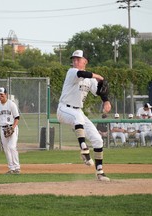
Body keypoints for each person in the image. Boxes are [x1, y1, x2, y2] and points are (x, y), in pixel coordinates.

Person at [57, 50, 111, 181]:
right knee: (78, 118)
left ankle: (100, 172)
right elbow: (83, 73)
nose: (75, 61)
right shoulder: (72, 72)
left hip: (78, 111)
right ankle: (84, 149)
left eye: (78, 59)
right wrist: (97, 75)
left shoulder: (90, 79)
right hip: (64, 109)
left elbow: (98, 91)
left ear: (85, 61)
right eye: (74, 59)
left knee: (98, 139)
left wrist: (106, 101)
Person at [0, 87, 21, 174]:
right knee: (6, 149)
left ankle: (17, 167)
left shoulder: (11, 104)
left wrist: (13, 127)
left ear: (6, 94)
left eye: (2, 95)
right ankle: (11, 168)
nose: (0, 96)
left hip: (12, 127)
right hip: (2, 128)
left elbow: (17, 117)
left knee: (12, 146)